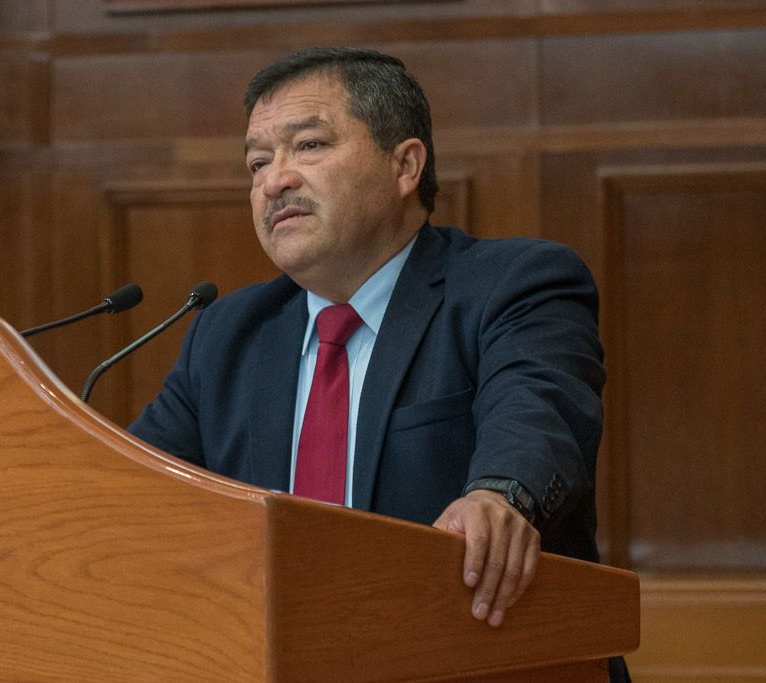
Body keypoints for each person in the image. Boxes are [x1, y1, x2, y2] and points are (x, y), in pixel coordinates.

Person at [129, 47, 626, 680]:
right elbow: (133, 491)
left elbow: (537, 408)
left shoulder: (512, 285)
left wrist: (498, 496)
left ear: (405, 165)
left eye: (308, 146)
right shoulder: (227, 334)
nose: (274, 181)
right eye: (258, 162)